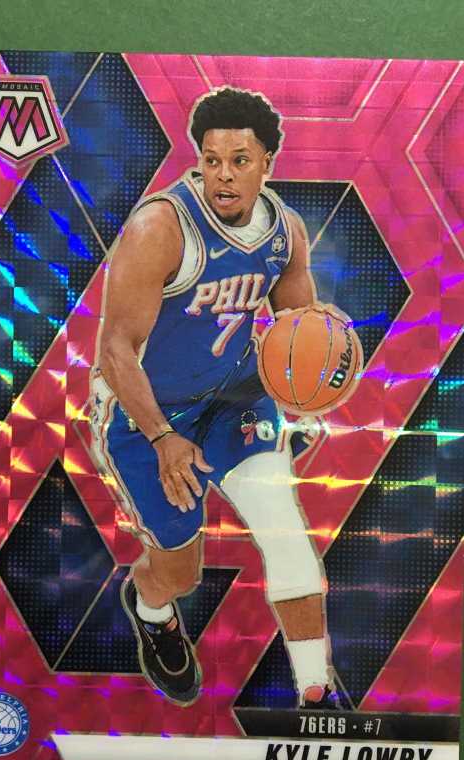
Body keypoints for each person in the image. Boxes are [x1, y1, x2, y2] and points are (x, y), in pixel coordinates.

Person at [90, 87, 345, 710]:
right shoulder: (159, 228)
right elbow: (115, 351)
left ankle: (316, 694)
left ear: (267, 164)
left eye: (239, 160)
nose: (223, 175)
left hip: (234, 397)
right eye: (211, 160)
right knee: (180, 574)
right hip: (148, 412)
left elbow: (295, 325)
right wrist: (162, 437)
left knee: (286, 532)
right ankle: (151, 610)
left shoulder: (285, 229)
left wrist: (323, 342)